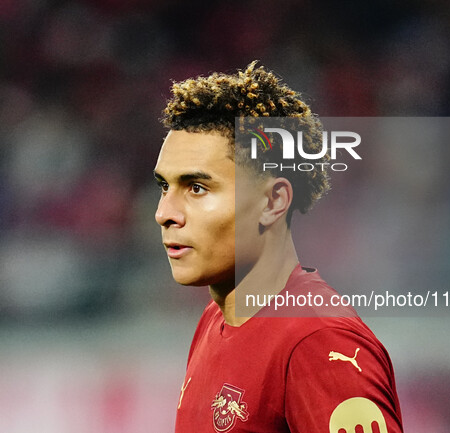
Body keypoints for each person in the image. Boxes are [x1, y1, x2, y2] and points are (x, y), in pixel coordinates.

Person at [154, 61, 403, 433]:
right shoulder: (215, 319)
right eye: (164, 186)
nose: (164, 213)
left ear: (273, 202)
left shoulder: (319, 343)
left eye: (197, 188)